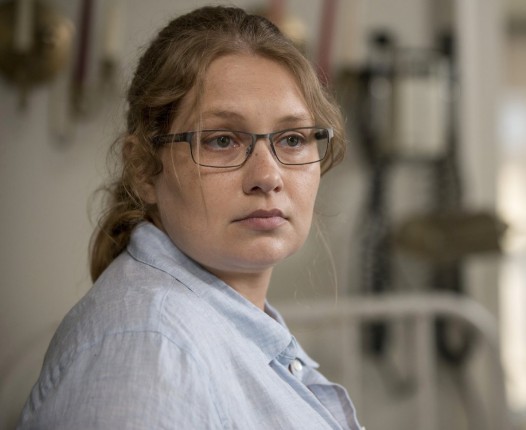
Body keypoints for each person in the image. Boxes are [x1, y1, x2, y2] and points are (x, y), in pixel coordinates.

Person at [17, 6, 361, 429]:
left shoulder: (210, 330)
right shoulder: (148, 353)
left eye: (292, 139)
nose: (268, 177)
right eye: (222, 141)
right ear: (144, 168)